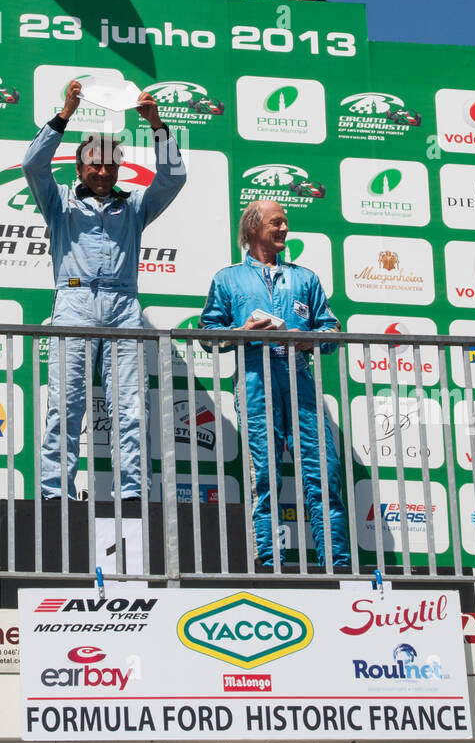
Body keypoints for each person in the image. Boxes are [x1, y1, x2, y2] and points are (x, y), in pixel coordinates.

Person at [23, 78, 186, 500]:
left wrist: (156, 125)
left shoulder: (133, 205)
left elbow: (173, 178)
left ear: (118, 169)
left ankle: (132, 495)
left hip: (122, 304)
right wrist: (65, 114)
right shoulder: (59, 202)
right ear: (78, 168)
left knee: (131, 408)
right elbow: (32, 165)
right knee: (64, 407)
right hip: (73, 302)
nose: (100, 170)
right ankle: (54, 494)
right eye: (92, 163)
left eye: (109, 164)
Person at [200, 199, 351, 570]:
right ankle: (268, 563)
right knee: (264, 476)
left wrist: (307, 340)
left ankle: (338, 562)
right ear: (253, 228)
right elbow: (207, 335)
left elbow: (332, 329)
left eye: (285, 223)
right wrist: (242, 332)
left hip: (299, 380)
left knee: (323, 475)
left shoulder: (305, 278)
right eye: (276, 222)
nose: (284, 229)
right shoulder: (228, 278)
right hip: (254, 382)